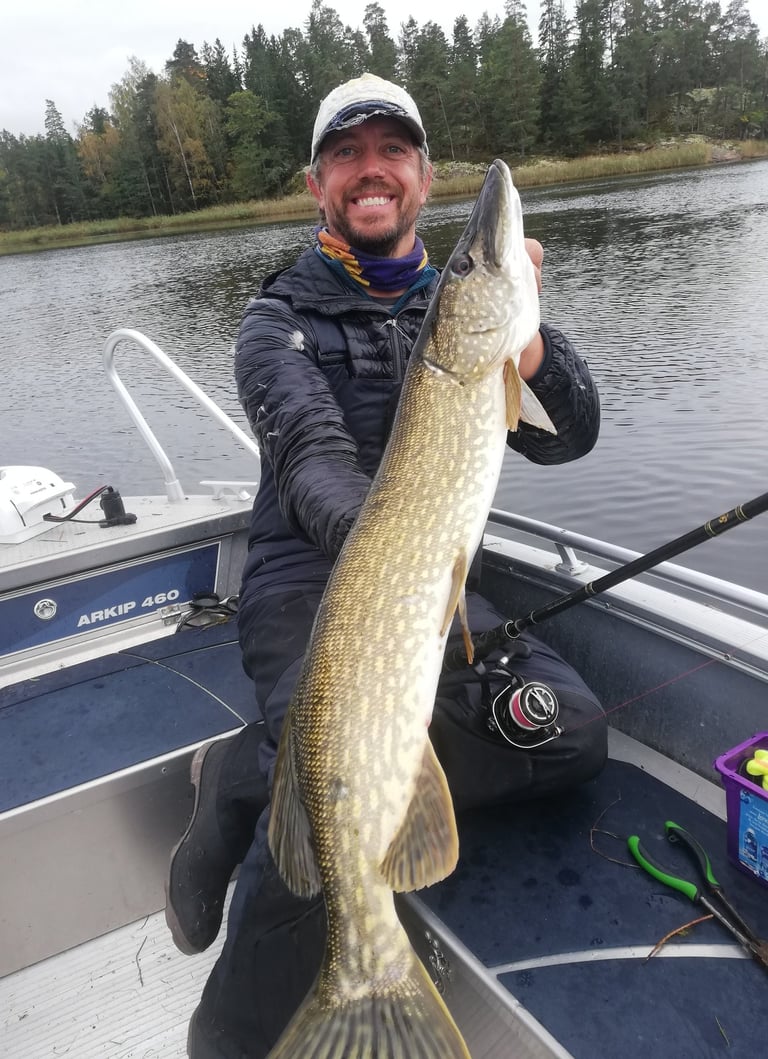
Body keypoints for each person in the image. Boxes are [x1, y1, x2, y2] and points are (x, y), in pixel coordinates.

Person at [167, 73, 607, 1059]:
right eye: (347, 155)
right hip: (301, 590)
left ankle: (255, 769)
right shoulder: (273, 321)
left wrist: (525, 342)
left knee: (572, 735)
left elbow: (570, 434)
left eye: (392, 151)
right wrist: (403, 539)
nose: (372, 171)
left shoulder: (458, 315)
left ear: (421, 176)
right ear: (319, 184)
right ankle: (229, 1031)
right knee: (327, 821)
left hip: (421, 596)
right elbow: (317, 470)